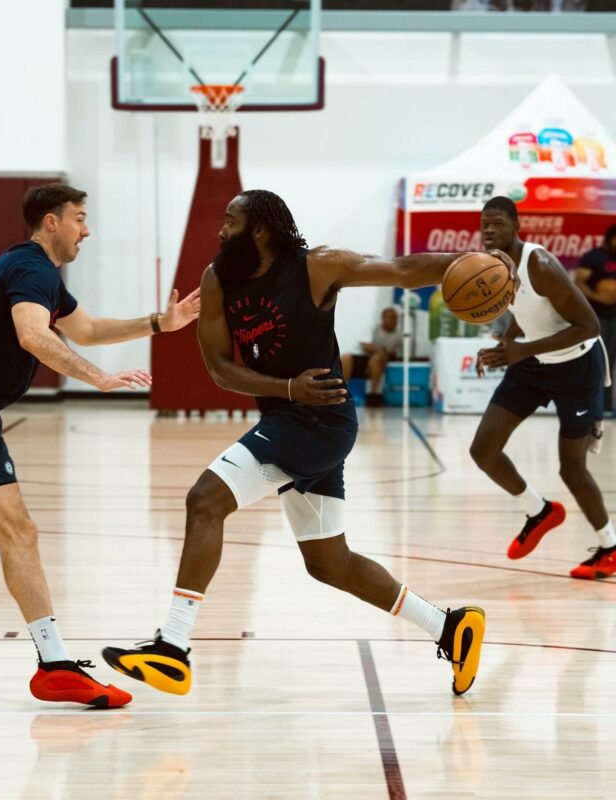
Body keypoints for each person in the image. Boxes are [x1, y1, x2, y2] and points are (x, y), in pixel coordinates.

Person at [101, 189, 512, 698]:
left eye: (230, 222)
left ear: (260, 229)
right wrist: (285, 388)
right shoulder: (218, 278)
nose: (220, 231)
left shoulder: (319, 267)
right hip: (290, 414)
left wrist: (471, 261)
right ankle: (449, 627)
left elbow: (402, 270)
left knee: (204, 500)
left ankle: (173, 645)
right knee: (328, 563)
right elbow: (219, 368)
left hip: (321, 422)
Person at [0, 183, 200, 707]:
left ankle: (54, 664)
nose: (87, 229)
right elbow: (33, 335)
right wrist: (98, 378)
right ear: (50, 222)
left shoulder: (35, 272)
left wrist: (158, 324)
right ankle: (54, 665)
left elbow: (88, 328)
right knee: (19, 530)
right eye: (79, 218)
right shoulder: (31, 269)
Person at [471, 196, 615, 580]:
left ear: (517, 228)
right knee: (483, 450)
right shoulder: (495, 266)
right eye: (484, 223)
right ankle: (539, 510)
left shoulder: (540, 264)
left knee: (572, 467)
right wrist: (507, 343)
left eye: (497, 222)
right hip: (534, 364)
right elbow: (524, 313)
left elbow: (589, 326)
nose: (488, 229)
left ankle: (609, 546)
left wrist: (522, 351)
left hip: (577, 367)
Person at [574, 223, 616, 451]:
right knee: (602, 364)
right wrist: (598, 297)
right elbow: (578, 282)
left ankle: (611, 406)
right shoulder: (594, 257)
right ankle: (601, 408)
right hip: (598, 318)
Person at [341, 306, 402, 406]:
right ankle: (342, 392)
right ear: (383, 318)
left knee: (376, 359)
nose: (394, 321)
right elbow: (364, 345)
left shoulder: (398, 335)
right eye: (391, 317)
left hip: (379, 359)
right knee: (345, 357)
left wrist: (382, 354)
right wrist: (380, 351)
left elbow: (395, 353)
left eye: (395, 318)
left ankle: (373, 394)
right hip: (360, 357)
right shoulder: (373, 328)